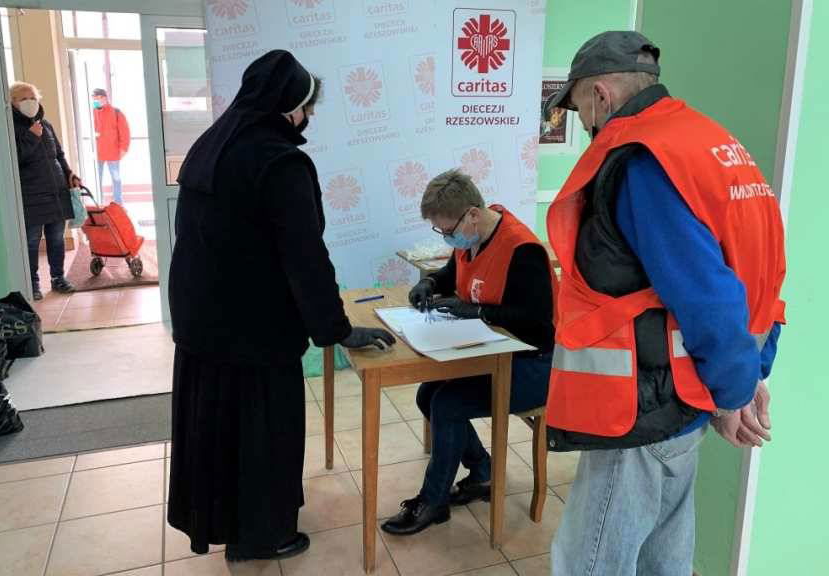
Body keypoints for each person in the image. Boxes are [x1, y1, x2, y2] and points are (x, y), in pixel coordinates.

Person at [541, 31, 786, 575]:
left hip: (644, 407)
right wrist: (741, 378)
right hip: (682, 397)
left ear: (600, 94)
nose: (580, 121)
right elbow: (751, 268)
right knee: (664, 558)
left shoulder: (643, 161)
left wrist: (731, 393)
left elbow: (706, 293)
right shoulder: (707, 141)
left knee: (590, 562)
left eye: (577, 104)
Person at [167, 50, 395, 563]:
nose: (307, 118)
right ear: (289, 106)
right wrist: (336, 329)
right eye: (306, 107)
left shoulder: (210, 144)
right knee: (264, 432)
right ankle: (262, 536)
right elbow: (305, 257)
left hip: (201, 322)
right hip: (255, 328)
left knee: (219, 430)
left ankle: (227, 523)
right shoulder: (280, 161)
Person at [380, 170, 557, 536]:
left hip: (536, 365)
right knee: (429, 394)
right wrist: (429, 283)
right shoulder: (473, 235)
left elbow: (537, 324)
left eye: (448, 231)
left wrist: (479, 312)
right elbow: (451, 272)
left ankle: (434, 501)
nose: (449, 238)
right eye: (442, 233)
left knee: (448, 404)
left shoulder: (523, 251)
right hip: (494, 356)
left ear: (472, 214)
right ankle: (482, 473)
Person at [10, 81, 78, 301]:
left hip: (56, 190)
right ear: (12, 103)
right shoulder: (10, 127)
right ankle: (32, 283)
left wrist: (69, 175)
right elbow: (15, 158)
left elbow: (59, 154)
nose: (30, 102)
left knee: (57, 238)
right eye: (23, 98)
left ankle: (58, 278)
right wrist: (31, 136)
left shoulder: (45, 124)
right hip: (31, 195)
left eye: (33, 97)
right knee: (31, 240)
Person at [92, 88, 130, 205]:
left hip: (113, 153)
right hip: (98, 153)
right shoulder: (92, 113)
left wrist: (123, 149)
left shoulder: (116, 113)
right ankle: (98, 201)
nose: (95, 101)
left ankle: (118, 202)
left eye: (97, 99)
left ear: (104, 98)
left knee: (116, 179)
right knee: (97, 179)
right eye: (94, 99)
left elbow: (125, 132)